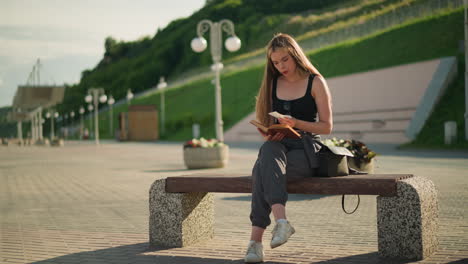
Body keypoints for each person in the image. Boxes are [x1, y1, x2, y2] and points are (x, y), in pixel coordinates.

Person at [244, 33, 333, 263]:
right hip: (279, 145)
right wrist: (267, 129)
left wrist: (296, 123)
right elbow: (269, 122)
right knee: (268, 152)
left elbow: (327, 126)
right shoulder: (273, 83)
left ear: (295, 54)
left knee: (261, 172)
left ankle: (255, 243)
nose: (280, 66)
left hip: (306, 149)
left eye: (285, 59)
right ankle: (281, 223)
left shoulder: (315, 81)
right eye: (275, 62)